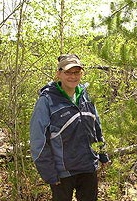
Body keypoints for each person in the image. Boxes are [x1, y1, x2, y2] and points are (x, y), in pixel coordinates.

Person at [30, 54, 109, 201]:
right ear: (59, 73)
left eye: (76, 72)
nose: (73, 76)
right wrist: (49, 173)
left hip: (88, 168)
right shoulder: (47, 100)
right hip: (62, 173)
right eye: (68, 72)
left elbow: (96, 128)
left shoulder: (86, 96)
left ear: (81, 73)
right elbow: (37, 141)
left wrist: (102, 155)